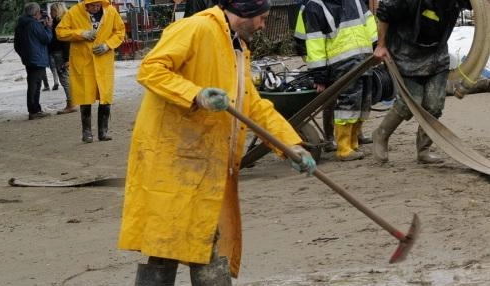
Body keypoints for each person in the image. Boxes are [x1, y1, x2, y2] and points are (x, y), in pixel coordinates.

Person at [117, 0, 317, 284]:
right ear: (244, 13)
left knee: (194, 239)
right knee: (172, 244)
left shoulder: (237, 47)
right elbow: (151, 69)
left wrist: (290, 146)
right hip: (175, 159)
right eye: (261, 17)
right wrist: (195, 95)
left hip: (206, 160)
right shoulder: (196, 28)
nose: (262, 25)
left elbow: (253, 104)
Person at [372, 0, 472, 164]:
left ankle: (423, 150)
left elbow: (479, 6)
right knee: (410, 103)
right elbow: (384, 12)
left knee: (434, 105)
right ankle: (381, 135)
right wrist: (381, 45)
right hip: (406, 54)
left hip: (436, 55)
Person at [294, 0, 377, 161]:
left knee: (362, 103)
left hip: (364, 59)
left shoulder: (356, 1)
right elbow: (315, 43)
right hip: (340, 64)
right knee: (348, 104)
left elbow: (370, 24)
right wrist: (319, 74)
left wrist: (377, 47)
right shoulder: (316, 6)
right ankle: (344, 148)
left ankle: (353, 144)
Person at [56, 0, 125, 143]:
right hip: (83, 62)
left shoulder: (110, 11)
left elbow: (119, 31)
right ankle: (86, 133)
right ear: (85, 5)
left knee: (105, 95)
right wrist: (81, 34)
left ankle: (103, 132)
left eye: (98, 5)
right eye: (93, 6)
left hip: (103, 61)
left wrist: (108, 45)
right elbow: (60, 32)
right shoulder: (74, 12)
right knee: (85, 96)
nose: (96, 8)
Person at [14, 2, 53, 120]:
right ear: (36, 13)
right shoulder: (34, 24)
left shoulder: (20, 24)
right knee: (34, 85)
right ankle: (34, 110)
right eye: (39, 12)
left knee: (33, 83)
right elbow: (46, 39)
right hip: (37, 58)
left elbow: (16, 45)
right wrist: (48, 28)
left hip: (28, 58)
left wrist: (23, 55)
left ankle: (35, 109)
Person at [50, 2, 76, 115]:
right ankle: (72, 102)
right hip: (62, 53)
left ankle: (71, 103)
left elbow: (66, 42)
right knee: (67, 78)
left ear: (57, 11)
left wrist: (67, 60)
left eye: (52, 11)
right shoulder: (63, 21)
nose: (51, 13)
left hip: (60, 54)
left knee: (64, 78)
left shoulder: (60, 22)